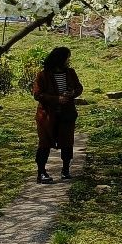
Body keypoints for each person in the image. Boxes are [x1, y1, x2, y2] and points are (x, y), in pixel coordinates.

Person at [31, 46, 81, 183]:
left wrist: (72, 93)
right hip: (47, 115)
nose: (68, 61)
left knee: (67, 142)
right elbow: (37, 94)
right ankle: (41, 172)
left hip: (66, 114)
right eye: (66, 58)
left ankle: (65, 170)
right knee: (45, 143)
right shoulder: (43, 75)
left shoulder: (70, 73)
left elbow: (79, 88)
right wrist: (56, 99)